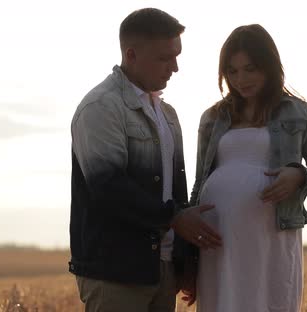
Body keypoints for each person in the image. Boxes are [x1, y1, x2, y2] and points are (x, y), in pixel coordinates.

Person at [69, 8, 222, 312]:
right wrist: (175, 218)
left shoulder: (168, 115)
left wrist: (185, 262)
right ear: (131, 54)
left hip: (161, 269)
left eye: (177, 56)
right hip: (115, 271)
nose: (175, 67)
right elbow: (108, 187)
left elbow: (176, 194)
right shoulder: (101, 107)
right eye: (165, 58)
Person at [184, 24, 307, 311]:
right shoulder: (212, 118)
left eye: (250, 68)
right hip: (217, 242)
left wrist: (300, 176)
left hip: (271, 239)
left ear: (269, 66)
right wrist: (188, 259)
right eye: (232, 71)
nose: (240, 79)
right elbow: (198, 185)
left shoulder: (301, 114)